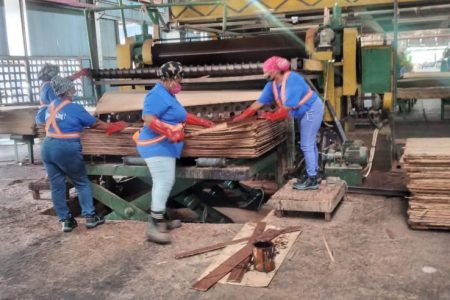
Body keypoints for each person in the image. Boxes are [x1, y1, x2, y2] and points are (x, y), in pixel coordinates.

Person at [134, 61, 215, 244]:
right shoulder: (156, 94)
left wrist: (202, 122)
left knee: (166, 182)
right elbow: (148, 119)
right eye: (179, 79)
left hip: (166, 146)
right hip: (156, 146)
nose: (181, 83)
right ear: (171, 79)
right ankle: (154, 227)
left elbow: (181, 115)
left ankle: (162, 221)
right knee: (163, 181)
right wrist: (168, 131)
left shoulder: (168, 94)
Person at [36, 76, 127, 232]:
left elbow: (44, 121)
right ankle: (90, 217)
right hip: (66, 148)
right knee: (81, 182)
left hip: (47, 147)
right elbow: (96, 123)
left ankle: (65, 221)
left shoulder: (50, 107)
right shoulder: (75, 108)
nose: (74, 89)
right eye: (72, 87)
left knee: (57, 186)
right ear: (68, 90)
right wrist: (117, 126)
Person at [232, 56, 324, 190]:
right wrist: (244, 115)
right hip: (303, 112)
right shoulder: (272, 85)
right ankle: (313, 173)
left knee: (306, 144)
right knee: (309, 143)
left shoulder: (293, 79)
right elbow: (259, 103)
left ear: (275, 71)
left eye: (267, 71)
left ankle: (312, 180)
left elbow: (287, 108)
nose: (266, 74)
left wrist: (272, 116)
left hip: (311, 110)